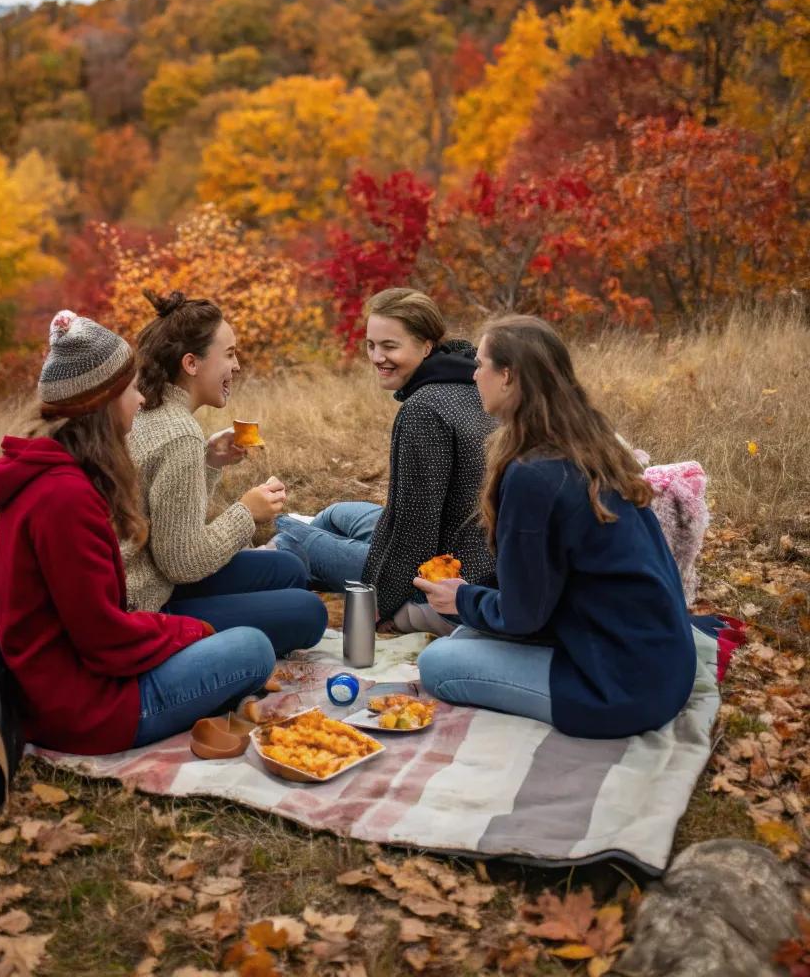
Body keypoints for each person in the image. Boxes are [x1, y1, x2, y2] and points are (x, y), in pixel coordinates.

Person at [0, 310, 276, 755]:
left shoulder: (55, 474)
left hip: (63, 681)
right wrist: (192, 631)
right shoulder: (64, 497)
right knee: (252, 648)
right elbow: (106, 639)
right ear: (100, 403)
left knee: (266, 601)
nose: (141, 399)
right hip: (85, 708)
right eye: (131, 389)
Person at [414, 313, 697, 739]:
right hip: (658, 658)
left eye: (482, 363)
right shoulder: (589, 442)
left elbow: (522, 615)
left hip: (620, 688)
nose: (474, 374)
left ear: (507, 376)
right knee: (465, 638)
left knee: (438, 664)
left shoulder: (534, 474)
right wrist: (474, 605)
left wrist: (462, 600)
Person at [274, 288, 496, 633]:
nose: (377, 357)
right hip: (473, 543)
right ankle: (323, 553)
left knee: (287, 532)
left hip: (446, 571)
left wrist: (382, 604)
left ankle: (269, 583)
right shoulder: (474, 380)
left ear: (426, 346)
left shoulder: (423, 410)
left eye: (390, 346)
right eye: (370, 345)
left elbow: (415, 530)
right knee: (337, 513)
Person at [124, 290, 328, 656]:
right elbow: (183, 561)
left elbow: (168, 525)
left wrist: (209, 462)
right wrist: (247, 513)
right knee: (309, 612)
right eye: (230, 354)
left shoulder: (149, 412)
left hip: (152, 574)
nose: (236, 366)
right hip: (144, 605)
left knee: (289, 568)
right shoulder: (178, 434)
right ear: (191, 363)